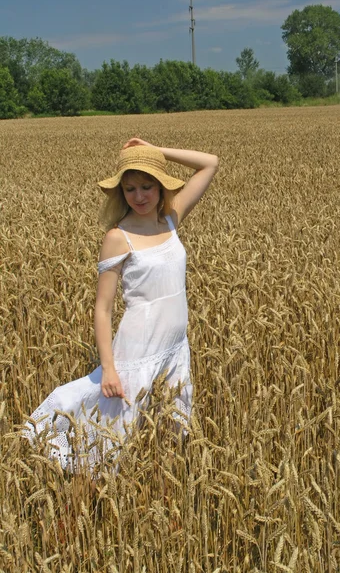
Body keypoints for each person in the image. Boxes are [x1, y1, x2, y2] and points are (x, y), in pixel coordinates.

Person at [23, 137, 219, 470]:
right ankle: (79, 508)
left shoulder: (171, 219)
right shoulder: (118, 237)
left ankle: (161, 505)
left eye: (147, 186)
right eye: (130, 189)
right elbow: (103, 308)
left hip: (174, 347)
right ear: (120, 193)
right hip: (138, 351)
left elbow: (210, 162)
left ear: (160, 187)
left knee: (172, 437)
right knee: (109, 445)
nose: (139, 196)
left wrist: (156, 150)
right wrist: (110, 367)